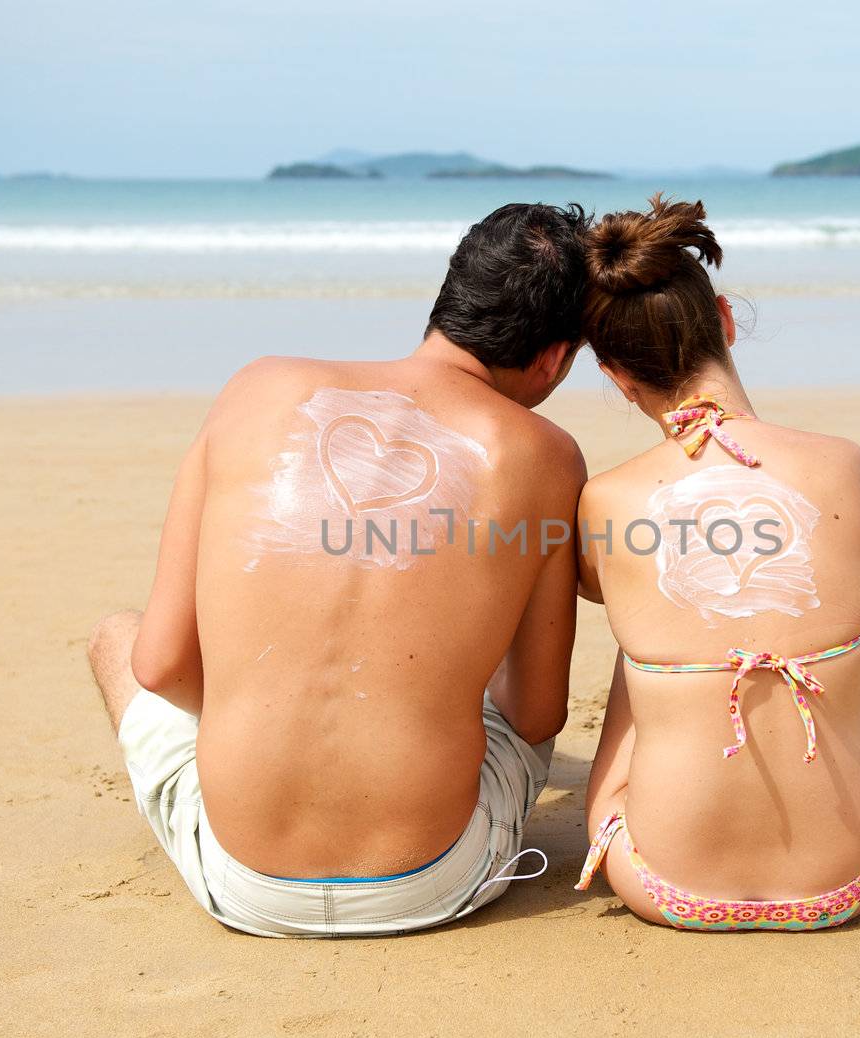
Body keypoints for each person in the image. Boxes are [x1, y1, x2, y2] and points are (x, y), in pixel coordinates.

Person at [86, 203, 590, 937]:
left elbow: (160, 664)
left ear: (448, 302)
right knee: (470, 692)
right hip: (436, 877)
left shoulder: (256, 388)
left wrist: (251, 710)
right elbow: (537, 715)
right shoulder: (544, 453)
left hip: (245, 880)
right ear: (553, 357)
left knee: (116, 637)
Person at [572, 195, 860, 930]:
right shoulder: (845, 467)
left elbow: (594, 586)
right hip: (853, 878)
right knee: (823, 639)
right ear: (726, 318)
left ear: (615, 374)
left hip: (663, 882)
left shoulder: (608, 498)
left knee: (645, 636)